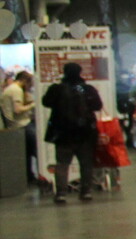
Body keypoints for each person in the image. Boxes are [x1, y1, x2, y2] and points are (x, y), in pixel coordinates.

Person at [41, 62, 103, 202]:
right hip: (85, 133)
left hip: (63, 133)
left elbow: (46, 102)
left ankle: (61, 193)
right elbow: (98, 106)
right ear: (80, 72)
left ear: (64, 72)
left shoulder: (56, 89)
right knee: (86, 163)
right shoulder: (88, 89)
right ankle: (86, 191)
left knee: (62, 163)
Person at [1, 69, 38, 190]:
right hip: (22, 124)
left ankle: (29, 177)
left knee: (26, 153)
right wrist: (33, 105)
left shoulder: (11, 89)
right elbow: (18, 110)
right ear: (25, 81)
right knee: (36, 150)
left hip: (15, 126)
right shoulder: (16, 90)